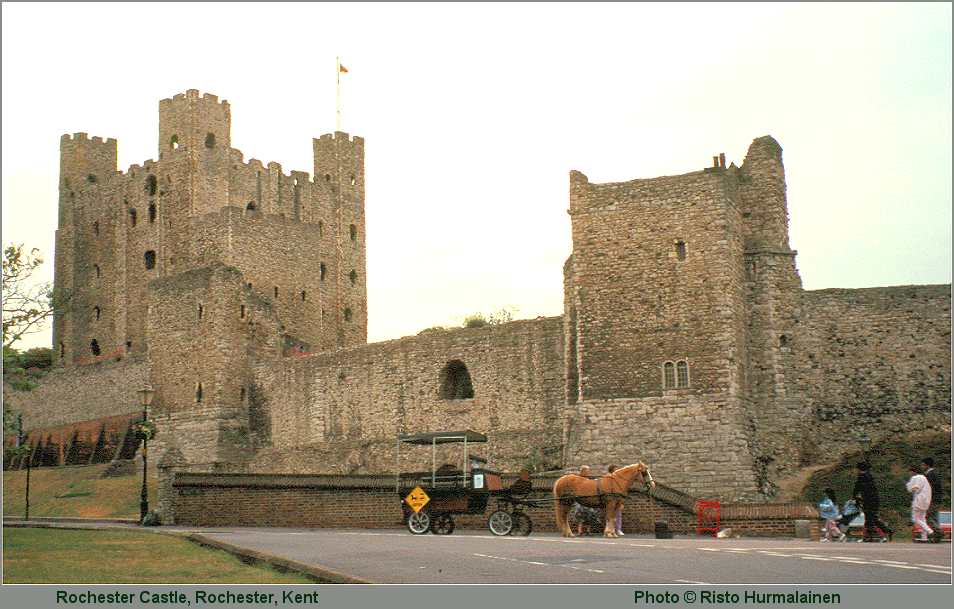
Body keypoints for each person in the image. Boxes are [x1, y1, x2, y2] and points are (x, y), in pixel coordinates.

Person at [852, 462, 893, 542]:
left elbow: (857, 489)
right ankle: (887, 531)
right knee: (873, 518)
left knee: (869, 519)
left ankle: (868, 537)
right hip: (875, 500)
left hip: (868, 501)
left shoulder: (861, 477)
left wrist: (856, 499)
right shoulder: (870, 477)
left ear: (859, 469)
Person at [906, 465, 934, 542]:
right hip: (926, 500)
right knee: (922, 519)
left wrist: (909, 486)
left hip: (919, 500)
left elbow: (915, 488)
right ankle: (924, 537)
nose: (909, 474)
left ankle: (930, 531)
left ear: (913, 472)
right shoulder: (924, 478)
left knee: (915, 519)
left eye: (910, 472)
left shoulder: (916, 478)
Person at [921, 457, 943, 543]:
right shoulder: (934, 473)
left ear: (927, 465)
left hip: (932, 499)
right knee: (934, 517)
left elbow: (928, 488)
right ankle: (937, 538)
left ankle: (939, 532)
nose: (921, 466)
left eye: (923, 465)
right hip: (936, 499)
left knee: (928, 516)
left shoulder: (930, 475)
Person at [608, 464, 624, 536]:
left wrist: (622, 503)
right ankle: (611, 529)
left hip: (617, 499)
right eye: (615, 469)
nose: (617, 470)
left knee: (618, 515)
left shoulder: (619, 479)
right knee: (610, 515)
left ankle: (618, 529)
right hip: (610, 500)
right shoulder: (608, 477)